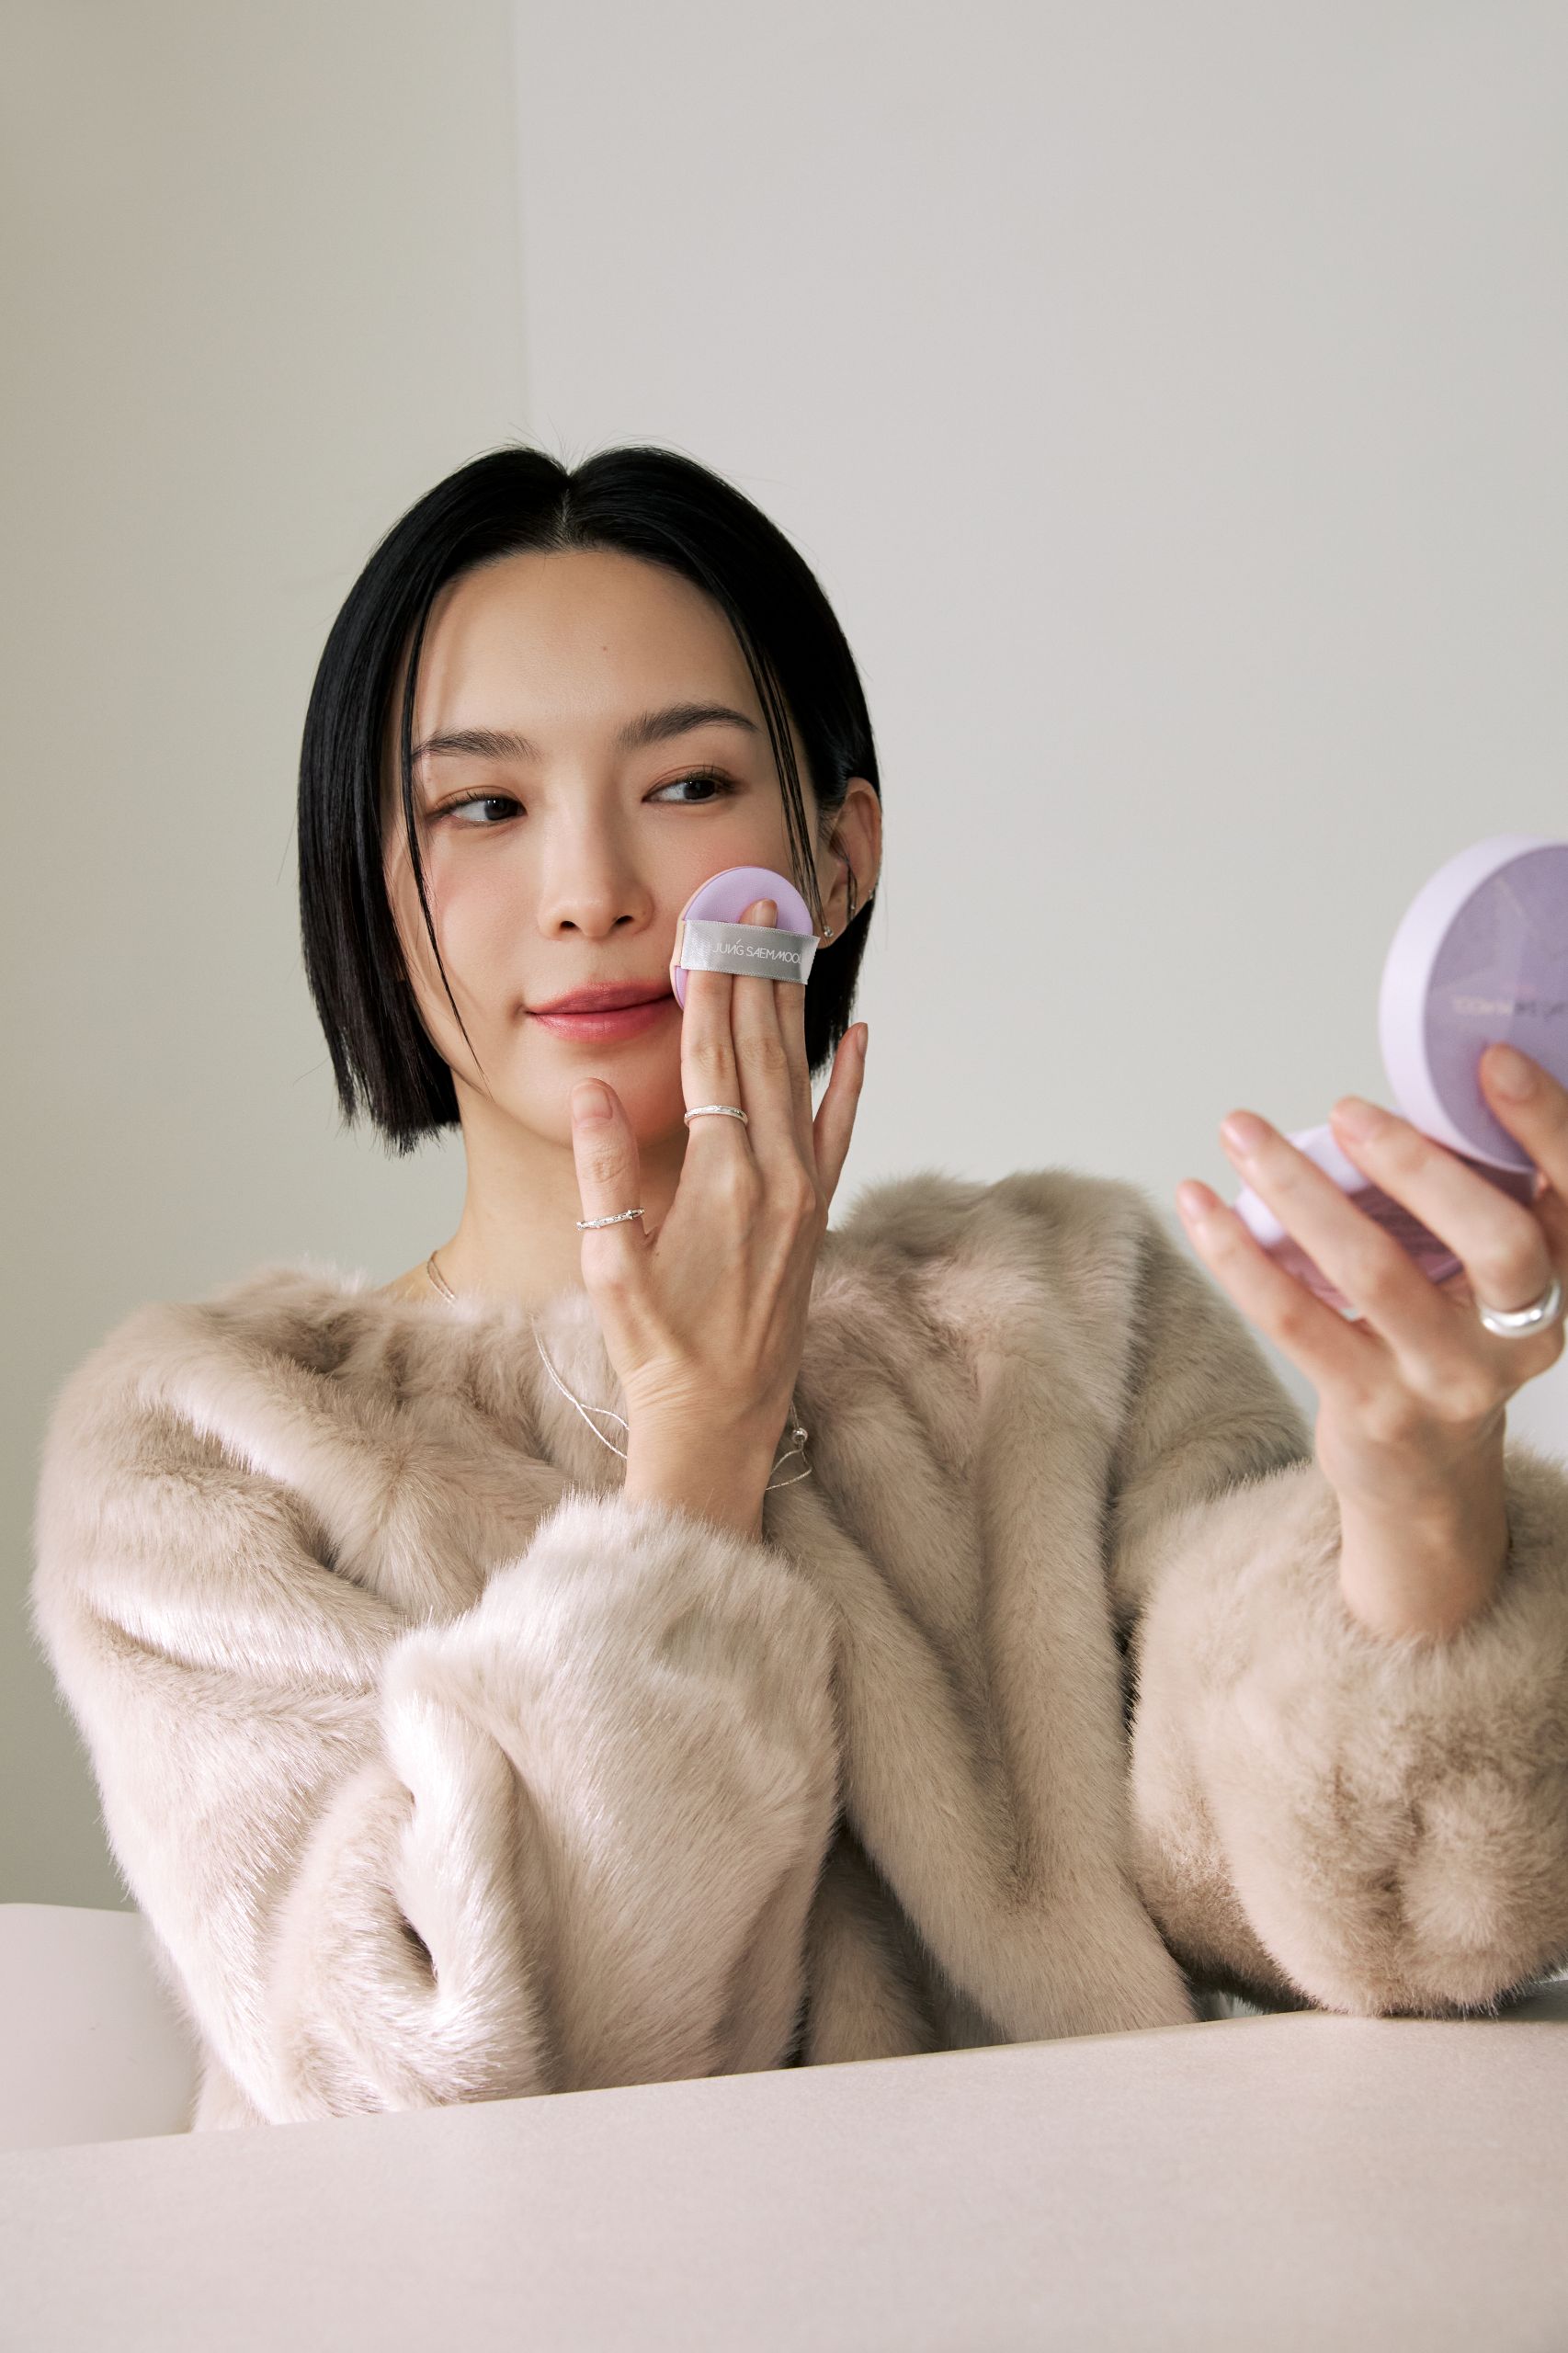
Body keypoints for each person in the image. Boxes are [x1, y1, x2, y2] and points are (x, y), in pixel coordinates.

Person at [28, 445, 1568, 2131]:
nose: (592, 892)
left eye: (687, 784)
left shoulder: (1067, 1306)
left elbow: (1372, 1909)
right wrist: (696, 1449)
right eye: (482, 808)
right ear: (376, 891)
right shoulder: (208, 1447)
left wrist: (1417, 1507)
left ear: (835, 859)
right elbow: (423, 2085)